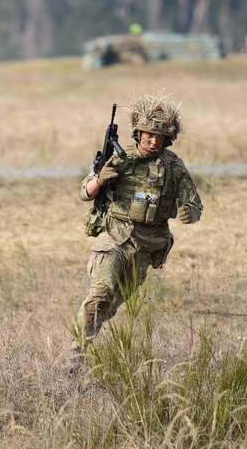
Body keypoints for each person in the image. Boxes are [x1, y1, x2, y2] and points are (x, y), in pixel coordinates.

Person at [70, 91, 203, 370]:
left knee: (113, 302)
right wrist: (100, 177)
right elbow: (85, 192)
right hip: (114, 236)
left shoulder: (173, 166)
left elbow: (195, 204)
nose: (153, 141)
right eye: (148, 135)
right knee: (101, 291)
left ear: (168, 139)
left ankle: (85, 336)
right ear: (138, 134)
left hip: (147, 245)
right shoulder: (120, 158)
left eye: (159, 137)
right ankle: (77, 353)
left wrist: (188, 212)